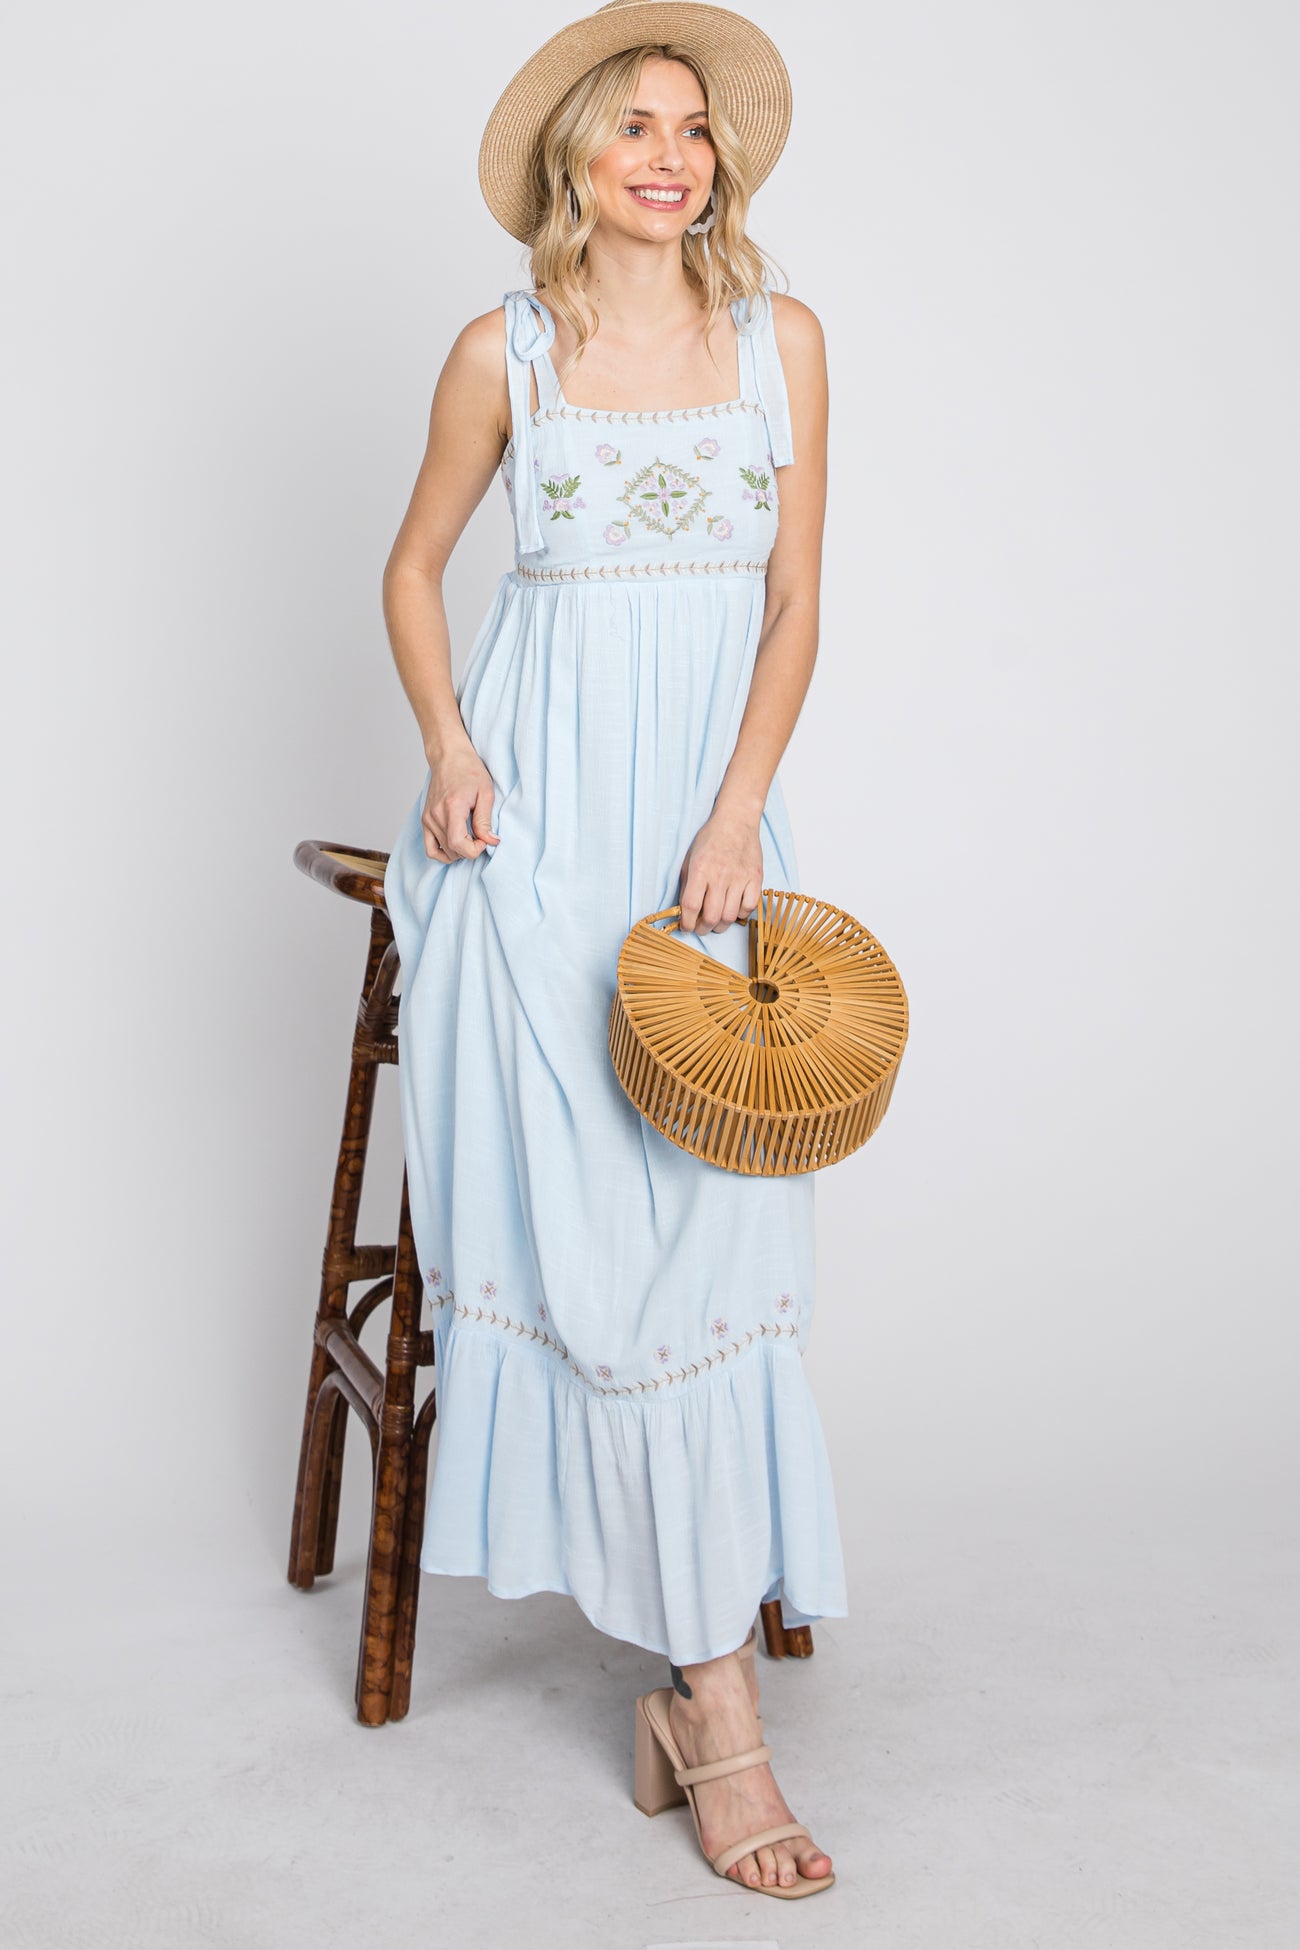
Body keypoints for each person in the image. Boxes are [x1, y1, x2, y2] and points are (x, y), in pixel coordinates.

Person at [382, 0, 844, 1899]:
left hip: (703, 847)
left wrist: (736, 816)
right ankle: (717, 1716)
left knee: (713, 1237)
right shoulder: (501, 353)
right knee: (600, 1251)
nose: (670, 153)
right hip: (537, 845)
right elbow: (415, 568)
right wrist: (451, 749)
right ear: (578, 158)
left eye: (694, 127)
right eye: (634, 125)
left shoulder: (782, 341)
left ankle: (696, 1679)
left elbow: (795, 604)